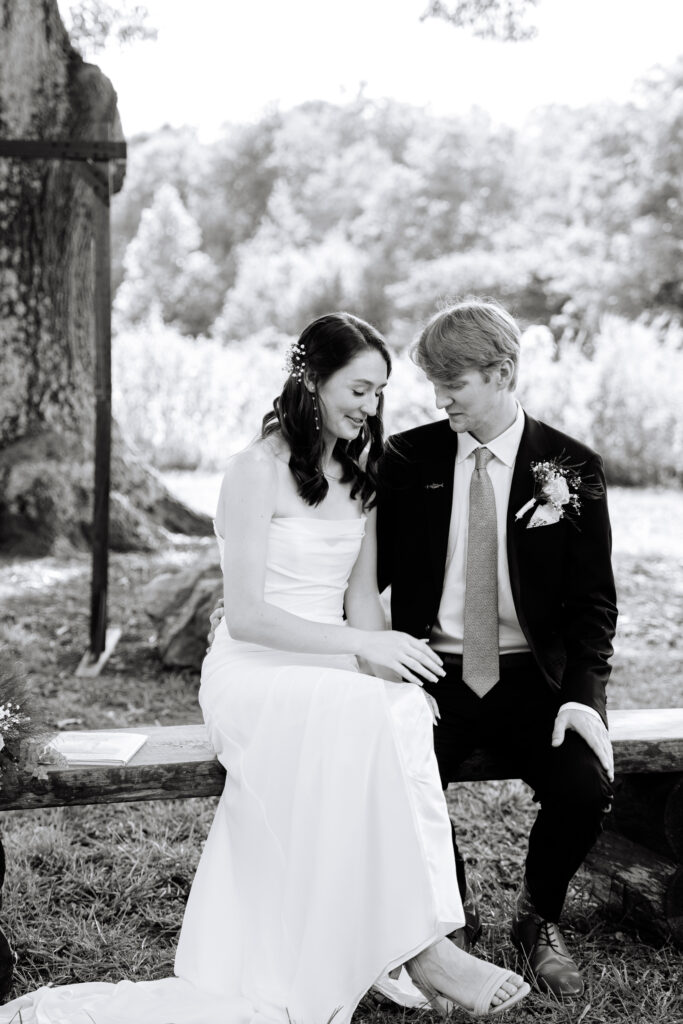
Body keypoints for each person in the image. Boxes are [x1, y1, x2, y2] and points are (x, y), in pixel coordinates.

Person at [0, 312, 529, 1024]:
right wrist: (360, 651)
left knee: (398, 710)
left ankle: (419, 937)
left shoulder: (363, 470)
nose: (369, 408)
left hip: (328, 666)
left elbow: (360, 602)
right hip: (252, 670)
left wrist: (383, 667)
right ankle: (426, 952)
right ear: (311, 380)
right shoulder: (253, 471)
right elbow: (247, 616)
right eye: (358, 390)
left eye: (378, 395)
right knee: (365, 711)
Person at [377, 298, 617, 998]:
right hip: (431, 670)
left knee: (585, 783)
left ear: (502, 372)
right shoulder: (406, 457)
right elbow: (369, 574)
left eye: (454, 382)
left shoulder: (571, 466)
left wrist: (582, 697)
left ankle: (536, 916)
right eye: (432, 382)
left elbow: (593, 606)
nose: (438, 397)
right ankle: (443, 924)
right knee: (393, 773)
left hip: (532, 676)